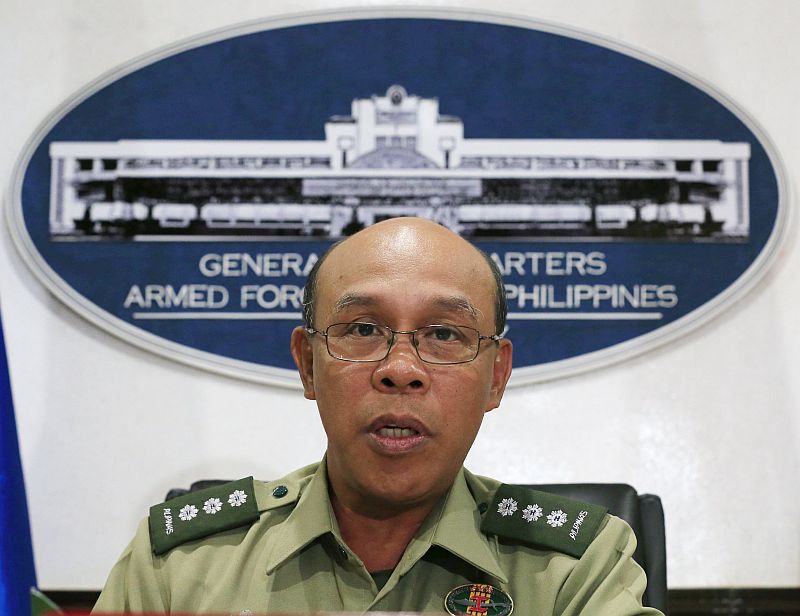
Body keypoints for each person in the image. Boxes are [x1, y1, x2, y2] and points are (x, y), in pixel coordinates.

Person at [93, 217, 663, 615]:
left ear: (496, 377)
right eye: (363, 329)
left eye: (444, 334)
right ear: (307, 365)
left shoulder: (575, 569)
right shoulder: (181, 566)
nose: (401, 369)